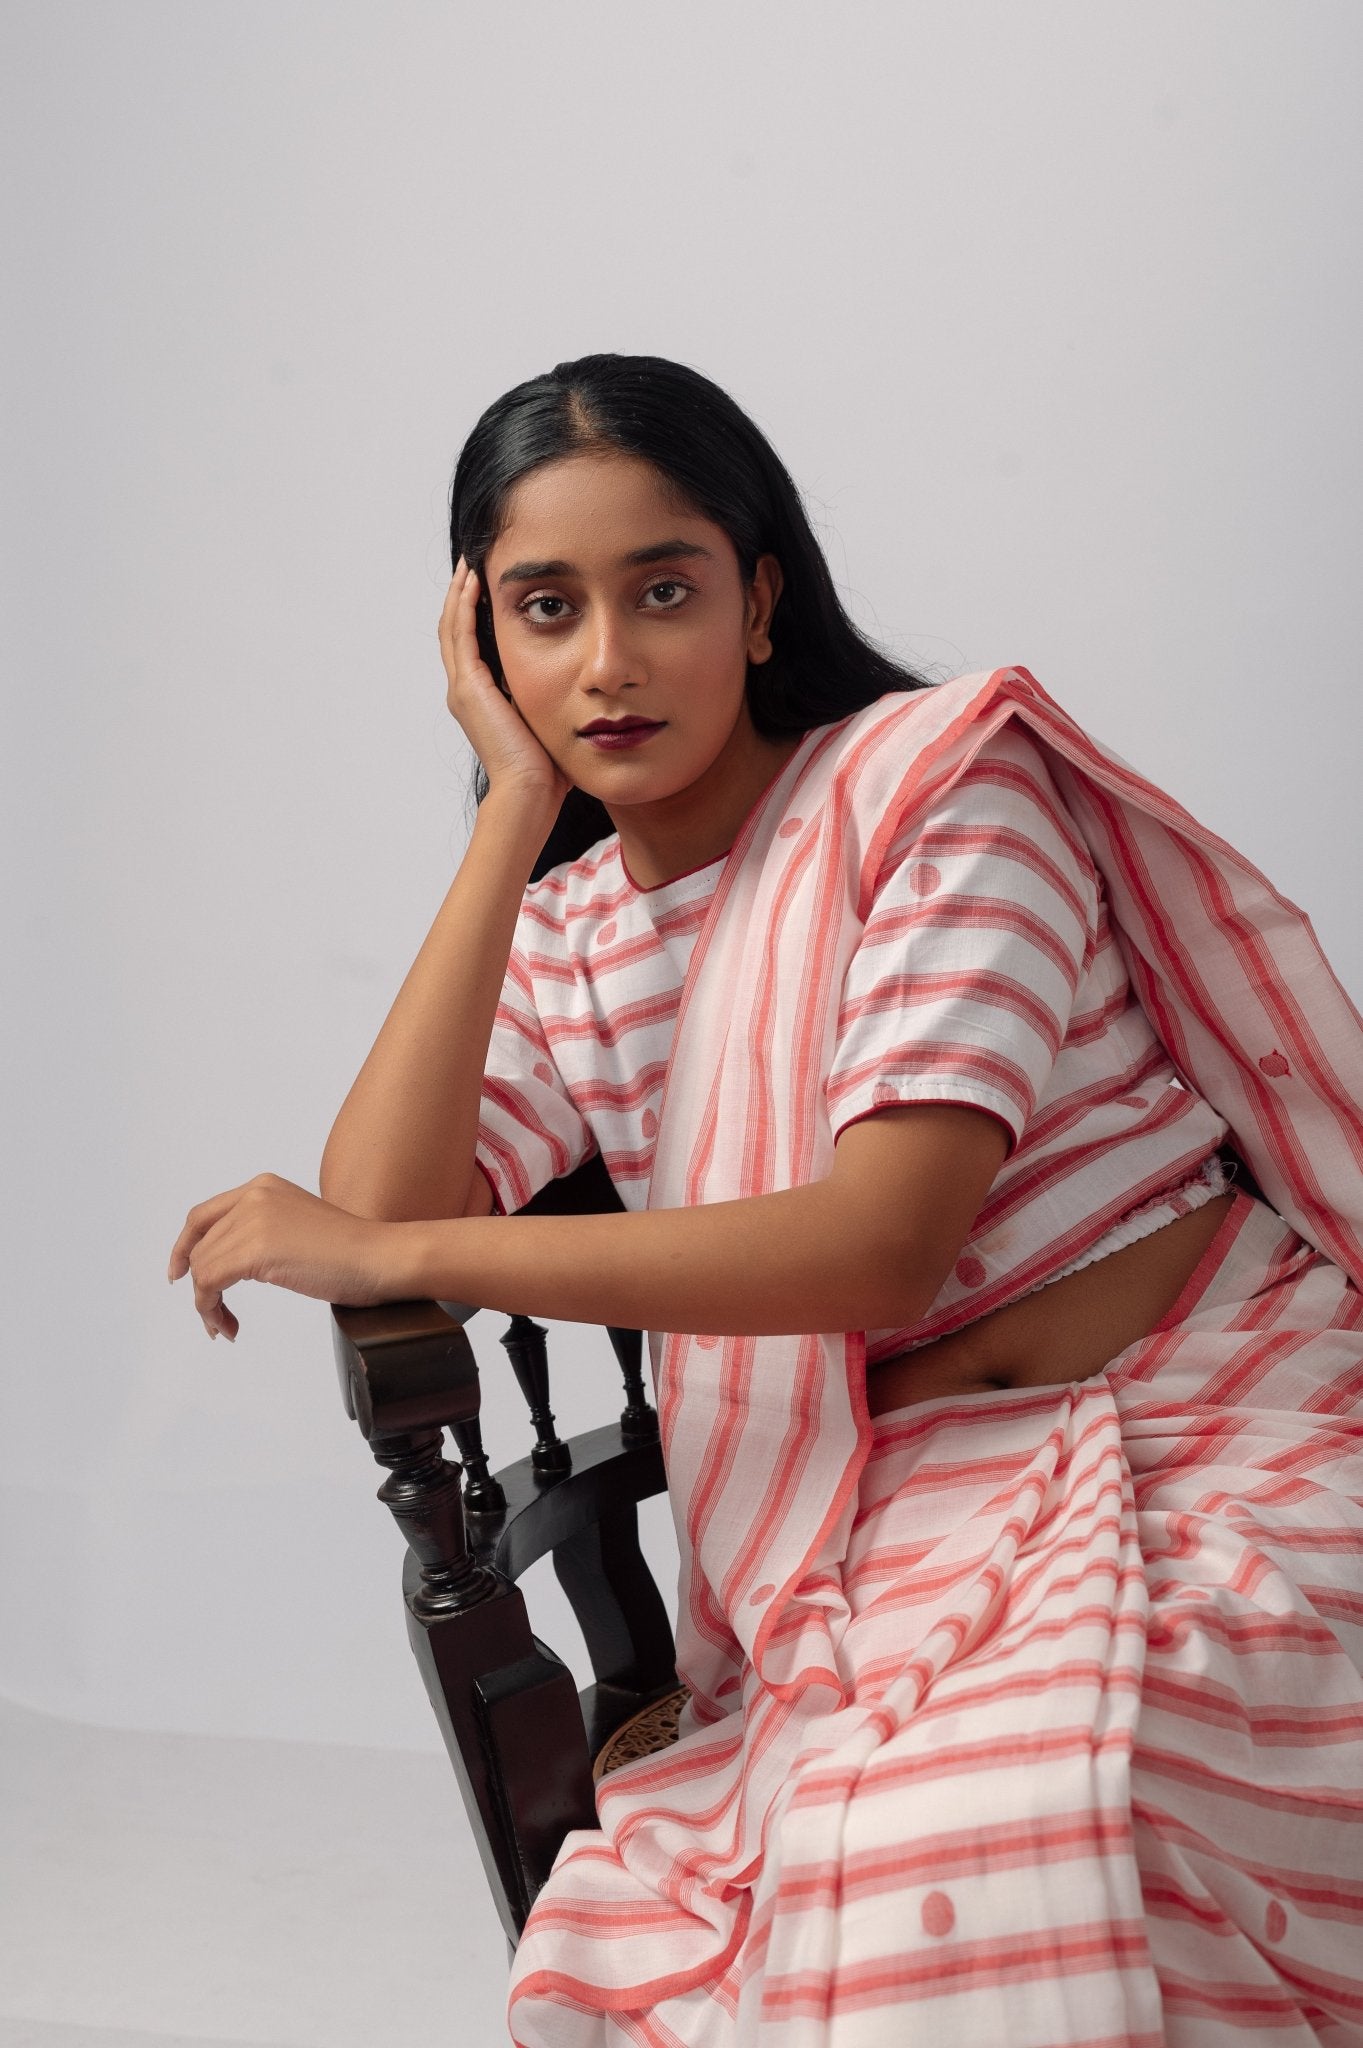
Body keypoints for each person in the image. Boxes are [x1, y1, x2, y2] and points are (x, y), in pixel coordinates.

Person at [168, 355, 1363, 2045]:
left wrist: (395, 1247)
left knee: (1069, 1803)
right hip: (900, 1516)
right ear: (482, 644)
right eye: (546, 609)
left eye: (663, 590)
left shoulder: (938, 792)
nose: (608, 660)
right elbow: (378, 1193)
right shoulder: (571, 938)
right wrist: (512, 815)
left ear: (759, 602)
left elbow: (883, 1248)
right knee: (933, 1846)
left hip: (1225, 1420)